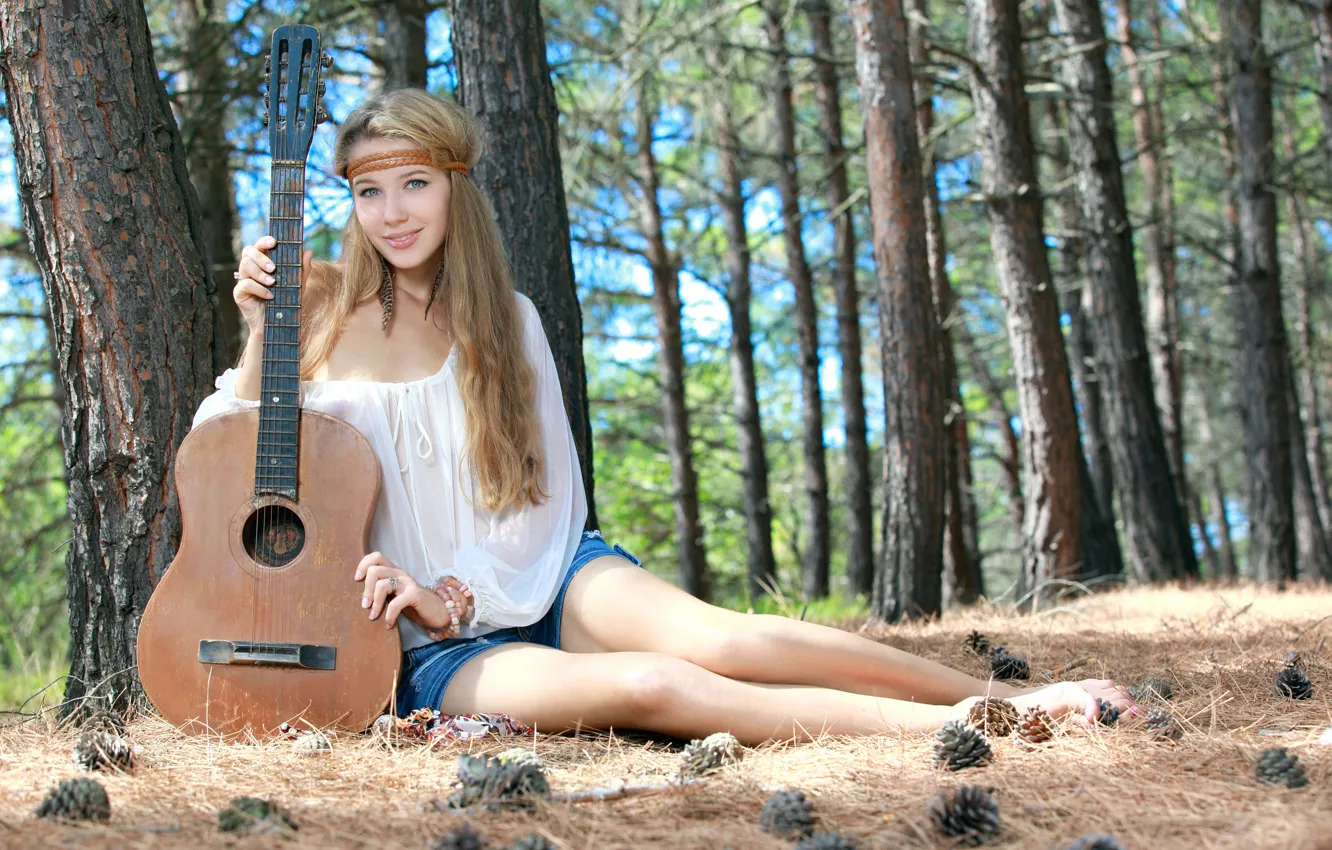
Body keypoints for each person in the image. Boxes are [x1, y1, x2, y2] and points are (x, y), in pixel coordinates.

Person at [194, 88, 1136, 745]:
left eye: (413, 184)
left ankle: (1008, 693)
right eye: (367, 191)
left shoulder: (507, 323)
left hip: (544, 574)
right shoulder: (315, 314)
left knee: (732, 639)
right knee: (656, 686)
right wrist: (260, 335)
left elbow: (544, 503)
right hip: (416, 641)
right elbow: (223, 469)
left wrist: (463, 591)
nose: (392, 214)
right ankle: (969, 728)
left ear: (454, 189)